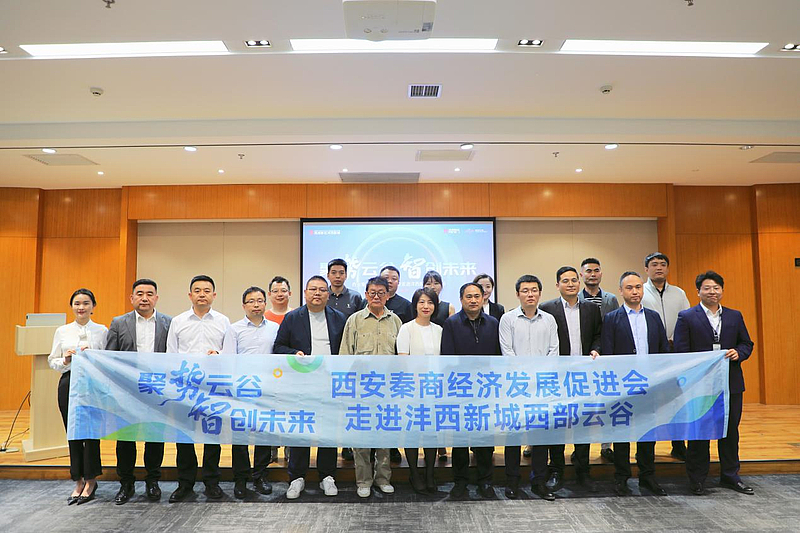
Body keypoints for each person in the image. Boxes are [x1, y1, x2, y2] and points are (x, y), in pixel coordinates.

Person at [674, 270, 755, 496]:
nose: (712, 292)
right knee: (700, 431)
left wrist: (739, 353)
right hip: (700, 385)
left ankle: (730, 476)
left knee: (730, 430)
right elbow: (681, 350)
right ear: (698, 291)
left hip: (730, 383)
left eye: (716, 288)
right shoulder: (686, 317)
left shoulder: (734, 316)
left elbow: (746, 343)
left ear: (722, 290)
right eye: (707, 288)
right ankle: (697, 479)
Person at [273, 276, 347, 500]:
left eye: (322, 290)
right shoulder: (292, 317)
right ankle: (297, 477)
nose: (317, 293)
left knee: (328, 430)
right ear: (305, 293)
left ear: (328, 294)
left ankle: (327, 475)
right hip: (302, 382)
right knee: (301, 429)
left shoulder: (339, 318)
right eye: (313, 289)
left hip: (329, 382)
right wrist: (293, 354)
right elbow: (278, 347)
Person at [601, 271, 670, 497]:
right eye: (629, 288)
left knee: (647, 433)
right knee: (622, 433)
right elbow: (608, 353)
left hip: (649, 385)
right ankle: (621, 477)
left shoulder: (653, 317)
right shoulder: (611, 318)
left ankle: (647, 476)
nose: (635, 292)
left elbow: (663, 351)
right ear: (621, 291)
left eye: (638, 287)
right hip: (623, 386)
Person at [106, 279, 171, 505]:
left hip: (157, 391)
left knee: (155, 437)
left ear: (156, 298)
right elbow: (110, 357)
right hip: (127, 391)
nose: (144, 298)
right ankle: (126, 483)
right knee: (126, 438)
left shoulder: (168, 323)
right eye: (140, 294)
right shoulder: (118, 323)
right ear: (132, 298)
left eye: (149, 294)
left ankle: (153, 480)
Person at [166, 275, 231, 503]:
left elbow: (230, 353)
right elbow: (171, 355)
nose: (202, 294)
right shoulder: (178, 321)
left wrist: (219, 355)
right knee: (184, 436)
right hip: (186, 388)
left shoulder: (223, 321)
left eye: (206, 290)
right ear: (190, 295)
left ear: (214, 295)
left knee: (212, 435)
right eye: (197, 290)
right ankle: (185, 483)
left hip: (213, 387)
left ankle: (212, 482)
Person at [539, 267, 602, 493]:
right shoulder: (547, 309)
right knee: (557, 423)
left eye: (574, 280)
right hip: (557, 376)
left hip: (584, 376)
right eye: (565, 281)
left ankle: (583, 470)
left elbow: (598, 334)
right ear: (557, 285)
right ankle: (556, 469)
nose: (571, 284)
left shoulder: (591, 308)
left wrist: (596, 349)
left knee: (582, 423)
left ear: (579, 282)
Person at [340, 276, 403, 498]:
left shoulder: (396, 321)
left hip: (388, 389)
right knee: (362, 439)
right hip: (361, 389)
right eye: (372, 292)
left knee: (385, 438)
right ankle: (364, 481)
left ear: (387, 295)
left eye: (381, 293)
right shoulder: (355, 320)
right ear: (366, 295)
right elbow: (345, 355)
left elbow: (402, 357)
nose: (376, 296)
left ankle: (383, 479)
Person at [499, 275, 559, 501]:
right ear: (517, 294)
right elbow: (507, 352)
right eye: (525, 290)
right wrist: (525, 377)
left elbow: (554, 351)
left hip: (542, 386)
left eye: (534, 290)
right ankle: (512, 481)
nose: (530, 294)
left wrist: (539, 377)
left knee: (540, 436)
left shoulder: (549, 320)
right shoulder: (508, 319)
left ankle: (538, 481)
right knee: (514, 436)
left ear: (540, 293)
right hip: (516, 386)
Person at [442, 282, 501, 499]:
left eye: (477, 296)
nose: (473, 300)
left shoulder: (493, 323)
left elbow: (498, 357)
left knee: (485, 439)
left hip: (486, 389)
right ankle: (460, 482)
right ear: (461, 299)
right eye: (469, 296)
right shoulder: (451, 323)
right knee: (460, 440)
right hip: (461, 389)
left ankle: (485, 481)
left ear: (483, 298)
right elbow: (447, 357)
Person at [48, 288, 108, 505]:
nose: (81, 307)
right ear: (72, 306)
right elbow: (52, 361)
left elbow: (108, 359)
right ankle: (78, 480)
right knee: (72, 431)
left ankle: (91, 480)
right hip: (69, 382)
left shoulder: (102, 330)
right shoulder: (62, 331)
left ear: (93, 306)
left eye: (86, 303)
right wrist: (64, 360)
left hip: (92, 384)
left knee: (91, 433)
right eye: (77, 303)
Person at [221, 286, 280, 499]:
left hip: (266, 389)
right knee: (240, 437)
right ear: (244, 305)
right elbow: (228, 360)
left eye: (260, 301)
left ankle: (260, 476)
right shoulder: (234, 329)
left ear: (265, 303)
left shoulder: (274, 328)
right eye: (251, 301)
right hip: (242, 389)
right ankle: (241, 478)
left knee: (264, 434)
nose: (256, 305)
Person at [641, 252, 691, 461]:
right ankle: (646, 449)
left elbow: (688, 319)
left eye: (663, 264)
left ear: (668, 268)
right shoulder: (640, 292)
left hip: (674, 353)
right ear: (646, 269)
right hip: (650, 355)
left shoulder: (679, 293)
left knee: (676, 401)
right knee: (649, 403)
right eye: (654, 264)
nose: (659, 268)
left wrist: (675, 340)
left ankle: (678, 445)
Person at [396, 287, 442, 494]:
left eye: (430, 302)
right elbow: (403, 361)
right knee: (413, 432)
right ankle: (414, 473)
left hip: (434, 389)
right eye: (422, 302)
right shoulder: (406, 328)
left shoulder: (439, 330)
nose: (426, 306)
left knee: (431, 433)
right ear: (415, 305)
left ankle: (430, 473)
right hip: (412, 389)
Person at [578, 257, 620, 461]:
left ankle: (606, 445)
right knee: (583, 405)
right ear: (582, 275)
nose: (592, 274)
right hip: (583, 358)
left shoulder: (611, 299)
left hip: (607, 356)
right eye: (588, 271)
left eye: (596, 270)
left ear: (601, 273)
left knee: (607, 403)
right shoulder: (575, 298)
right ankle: (579, 448)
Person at [326, 258, 362, 463]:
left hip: (350, 357)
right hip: (328, 357)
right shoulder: (322, 295)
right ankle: (331, 442)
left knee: (350, 403)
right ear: (328, 275)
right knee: (331, 405)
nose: (338, 276)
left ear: (346, 275)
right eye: (334, 272)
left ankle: (348, 445)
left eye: (341, 272)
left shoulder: (355, 297)